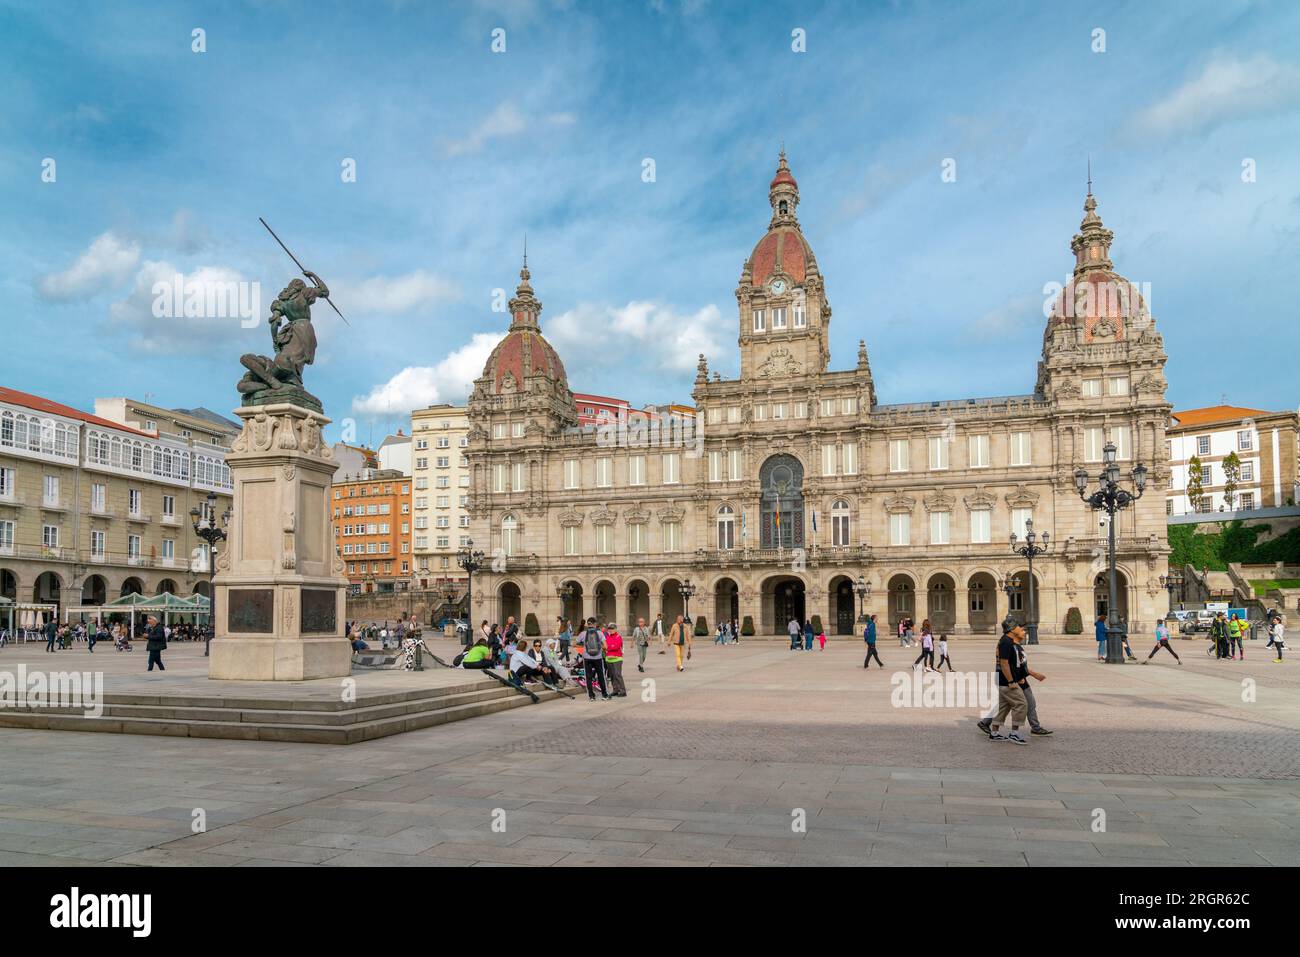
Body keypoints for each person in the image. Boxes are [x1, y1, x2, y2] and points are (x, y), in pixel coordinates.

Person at [984, 622, 1029, 745]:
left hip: (1004, 680)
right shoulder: (1006, 642)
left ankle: (994, 733)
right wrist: (1011, 680)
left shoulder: (1007, 641)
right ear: (1012, 629)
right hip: (1006, 681)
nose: (1020, 628)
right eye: (1018, 627)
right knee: (1021, 703)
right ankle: (1014, 734)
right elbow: (1004, 663)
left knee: (1004, 706)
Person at [580, 617, 611, 700]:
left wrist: (584, 646)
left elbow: (574, 643)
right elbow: (606, 646)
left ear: (588, 624)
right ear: (595, 624)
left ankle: (591, 696)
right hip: (598, 657)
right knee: (601, 676)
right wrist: (600, 647)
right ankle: (605, 694)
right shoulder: (600, 633)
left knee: (588, 676)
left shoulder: (583, 633)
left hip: (586, 657)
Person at [604, 622, 627, 697]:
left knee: (618, 675)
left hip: (617, 659)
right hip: (608, 659)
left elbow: (616, 647)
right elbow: (605, 646)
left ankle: (623, 691)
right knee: (612, 676)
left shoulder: (618, 637)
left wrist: (608, 647)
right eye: (609, 629)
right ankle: (615, 690)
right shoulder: (608, 637)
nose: (611, 630)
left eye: (612, 629)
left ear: (616, 629)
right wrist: (609, 646)